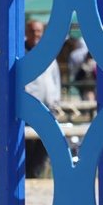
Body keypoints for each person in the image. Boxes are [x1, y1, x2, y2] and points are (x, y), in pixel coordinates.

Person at [24, 18, 62, 179]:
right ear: (26, 33)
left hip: (48, 109)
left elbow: (55, 79)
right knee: (28, 147)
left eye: (38, 31)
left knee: (44, 148)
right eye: (32, 31)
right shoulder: (21, 54)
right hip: (29, 109)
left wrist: (56, 101)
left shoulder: (49, 54)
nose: (36, 34)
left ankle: (35, 176)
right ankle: (28, 176)